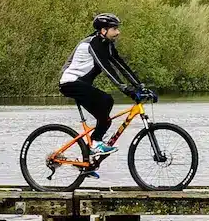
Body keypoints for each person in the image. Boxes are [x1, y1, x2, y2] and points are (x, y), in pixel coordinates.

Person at [59, 13, 151, 155]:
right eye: (114, 29)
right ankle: (95, 144)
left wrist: (141, 86)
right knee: (106, 100)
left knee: (105, 120)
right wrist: (127, 90)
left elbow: (121, 65)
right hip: (70, 83)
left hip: (81, 84)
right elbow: (107, 69)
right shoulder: (92, 44)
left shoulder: (106, 45)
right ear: (103, 31)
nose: (118, 32)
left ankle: (89, 159)